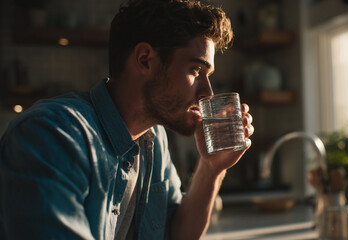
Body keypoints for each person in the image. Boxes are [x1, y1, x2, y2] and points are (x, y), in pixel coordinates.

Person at [0, 0, 254, 239]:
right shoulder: (51, 136)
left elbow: (177, 234)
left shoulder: (154, 139)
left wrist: (212, 169)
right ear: (145, 59)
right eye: (196, 70)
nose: (207, 93)